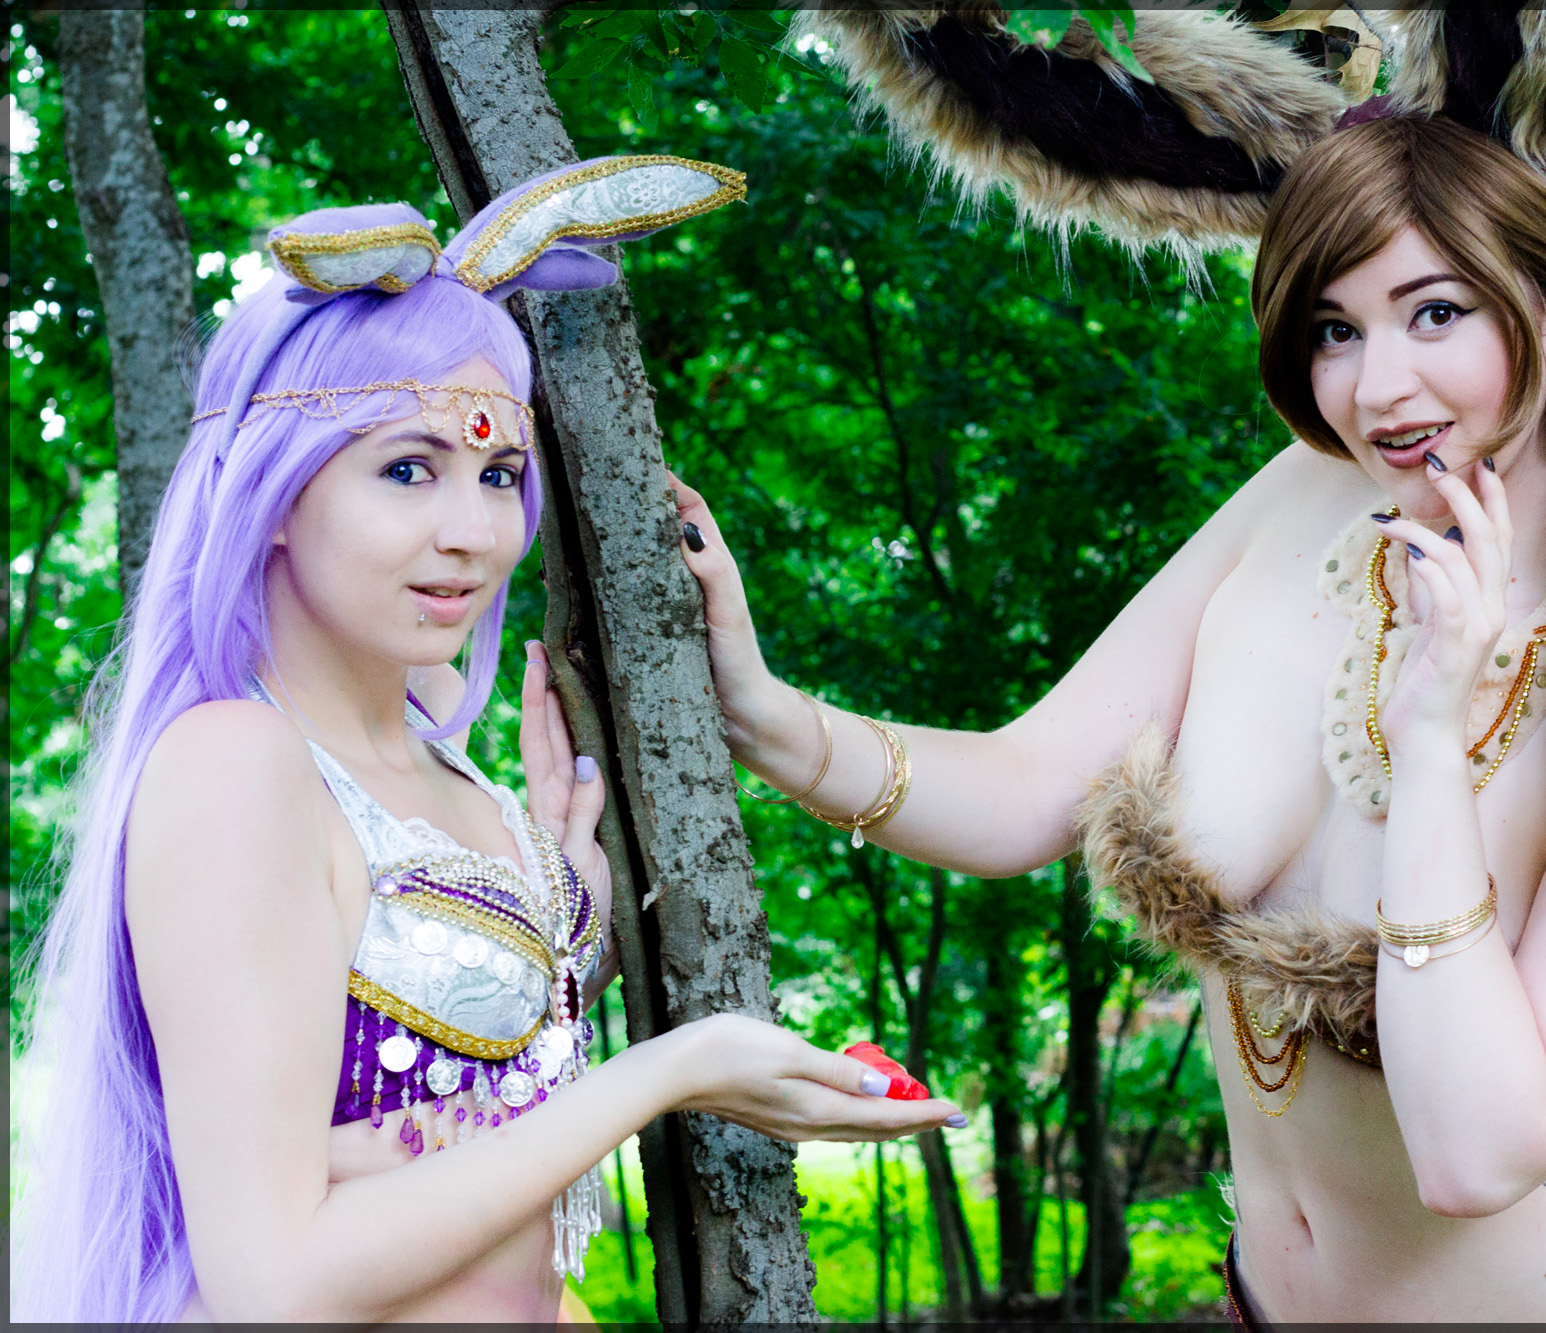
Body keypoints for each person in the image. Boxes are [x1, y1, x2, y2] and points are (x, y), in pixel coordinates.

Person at [680, 7, 1546, 1324]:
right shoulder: (1301, 499)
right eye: (1335, 329)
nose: (1376, 388)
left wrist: (1432, 735)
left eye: (1433, 312)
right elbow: (1026, 787)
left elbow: (1475, 1154)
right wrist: (764, 716)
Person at [8, 157, 962, 1324]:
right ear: (273, 492)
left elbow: (437, 1080)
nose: (474, 532)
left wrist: (565, 923)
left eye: (500, 473)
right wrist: (671, 1069)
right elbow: (273, 1280)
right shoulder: (234, 765)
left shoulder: (452, 770)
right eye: (408, 470)